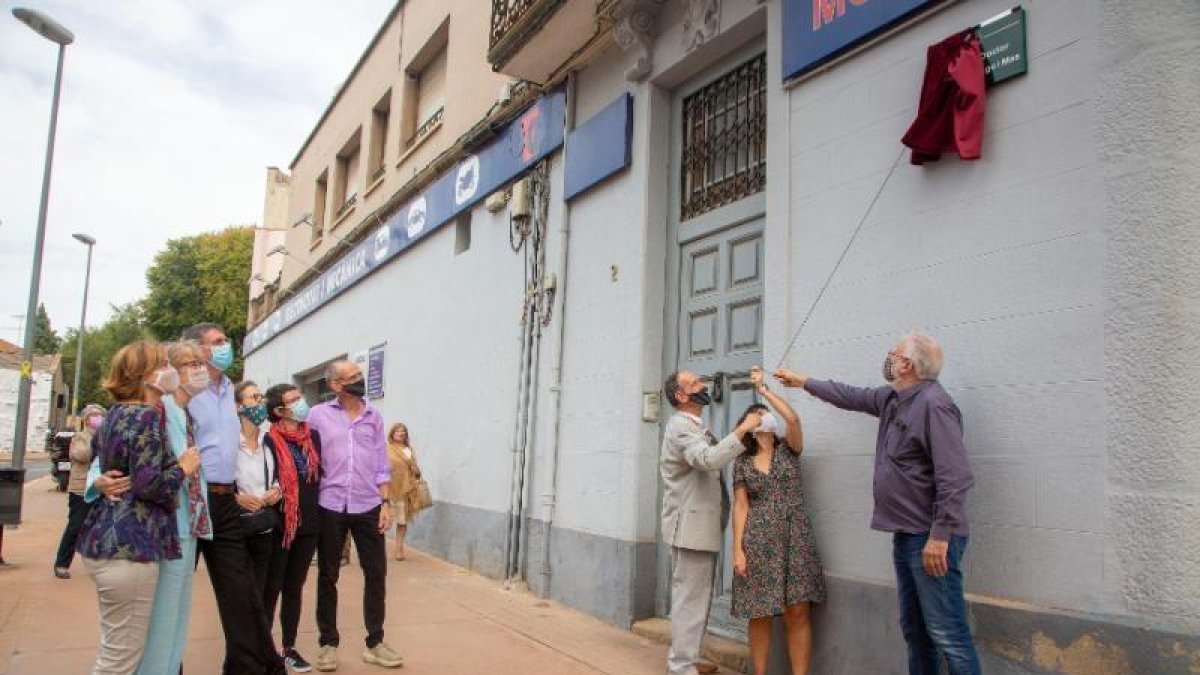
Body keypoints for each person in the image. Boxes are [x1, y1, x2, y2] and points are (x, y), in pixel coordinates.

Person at [773, 332, 981, 675]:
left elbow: (956, 477)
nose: (889, 359)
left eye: (894, 354)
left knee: (949, 636)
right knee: (916, 632)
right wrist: (804, 382)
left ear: (907, 365)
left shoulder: (934, 405)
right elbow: (850, 396)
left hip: (931, 538)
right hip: (907, 534)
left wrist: (940, 536)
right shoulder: (892, 399)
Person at [75, 340, 201, 674]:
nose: (171, 371)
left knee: (116, 651)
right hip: (130, 544)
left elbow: (113, 469)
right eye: (164, 364)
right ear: (146, 375)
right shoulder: (146, 416)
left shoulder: (114, 414)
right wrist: (183, 468)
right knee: (120, 659)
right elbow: (148, 486)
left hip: (107, 539)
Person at [182, 322, 286, 675]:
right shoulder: (183, 391)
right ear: (196, 349)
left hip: (226, 503)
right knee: (175, 591)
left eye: (225, 340)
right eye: (217, 341)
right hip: (191, 500)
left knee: (240, 591)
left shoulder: (229, 389)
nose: (225, 345)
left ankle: (247, 668)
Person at [660, 370, 761, 675]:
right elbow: (708, 459)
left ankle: (687, 659)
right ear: (681, 396)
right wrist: (742, 430)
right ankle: (681, 667)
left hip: (699, 528)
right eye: (695, 384)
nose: (703, 385)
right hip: (690, 530)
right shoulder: (680, 427)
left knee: (698, 600)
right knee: (691, 601)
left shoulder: (694, 425)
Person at [308, 360, 403, 671]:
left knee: (376, 573)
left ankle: (375, 642)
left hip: (368, 504)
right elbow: (308, 458)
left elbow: (381, 464)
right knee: (328, 575)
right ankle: (328, 644)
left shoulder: (373, 416)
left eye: (360, 375)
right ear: (335, 385)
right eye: (352, 377)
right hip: (330, 504)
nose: (359, 380)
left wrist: (386, 503)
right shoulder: (317, 415)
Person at [731, 367, 825, 675]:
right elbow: (741, 506)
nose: (764, 418)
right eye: (757, 415)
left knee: (797, 611)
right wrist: (737, 550)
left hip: (795, 537)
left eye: (766, 414)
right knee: (759, 612)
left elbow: (793, 420)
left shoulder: (790, 450)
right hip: (758, 540)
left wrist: (765, 391)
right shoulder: (742, 462)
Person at [262, 383, 322, 673]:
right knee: (272, 587)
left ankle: (288, 648)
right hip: (280, 525)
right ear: (279, 410)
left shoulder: (313, 437)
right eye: (293, 400)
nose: (301, 402)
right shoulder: (269, 440)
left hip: (308, 523)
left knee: (294, 587)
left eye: (300, 397)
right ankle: (263, 647)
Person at [235, 380, 283, 594]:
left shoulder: (268, 440)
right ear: (238, 406)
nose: (261, 402)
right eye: (254, 397)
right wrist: (236, 497)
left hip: (264, 525)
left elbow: (278, 475)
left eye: (261, 397)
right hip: (237, 526)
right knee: (239, 591)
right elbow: (217, 481)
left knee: (260, 588)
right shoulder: (229, 442)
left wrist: (276, 490)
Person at [53, 403, 105, 579]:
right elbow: (81, 455)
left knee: (100, 528)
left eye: (100, 414)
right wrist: (98, 445)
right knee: (75, 527)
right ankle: (62, 564)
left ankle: (98, 564)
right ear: (86, 420)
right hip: (81, 489)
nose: (98, 418)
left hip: (100, 488)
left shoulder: (106, 436)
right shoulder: (80, 437)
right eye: (94, 415)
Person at [385, 423, 421, 561]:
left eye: (403, 431)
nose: (401, 433)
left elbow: (416, 472)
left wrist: (416, 470)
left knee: (402, 521)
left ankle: (399, 548)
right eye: (398, 431)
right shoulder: (386, 449)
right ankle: (377, 549)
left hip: (404, 489)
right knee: (384, 521)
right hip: (388, 489)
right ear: (392, 433)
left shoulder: (408, 450)